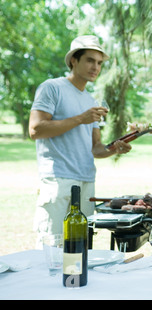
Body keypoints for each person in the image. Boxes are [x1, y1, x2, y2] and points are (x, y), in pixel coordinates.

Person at [29, 35, 132, 247]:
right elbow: (35, 129)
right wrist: (80, 119)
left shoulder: (91, 101)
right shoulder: (52, 87)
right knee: (50, 249)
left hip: (86, 182)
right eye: (89, 60)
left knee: (80, 248)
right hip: (58, 180)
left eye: (99, 63)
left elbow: (95, 148)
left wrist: (115, 149)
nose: (95, 67)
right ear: (73, 61)